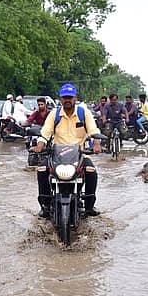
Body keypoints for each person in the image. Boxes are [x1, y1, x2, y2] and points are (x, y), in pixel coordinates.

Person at [33, 83, 101, 218]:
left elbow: (93, 131)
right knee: (41, 170)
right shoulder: (54, 114)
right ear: (61, 99)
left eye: (70, 97)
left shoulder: (84, 113)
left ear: (75, 98)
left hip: (79, 155)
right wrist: (40, 145)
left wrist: (97, 144)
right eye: (65, 97)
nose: (67, 100)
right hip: (57, 155)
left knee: (91, 171)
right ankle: (45, 206)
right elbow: (45, 132)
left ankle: (89, 206)